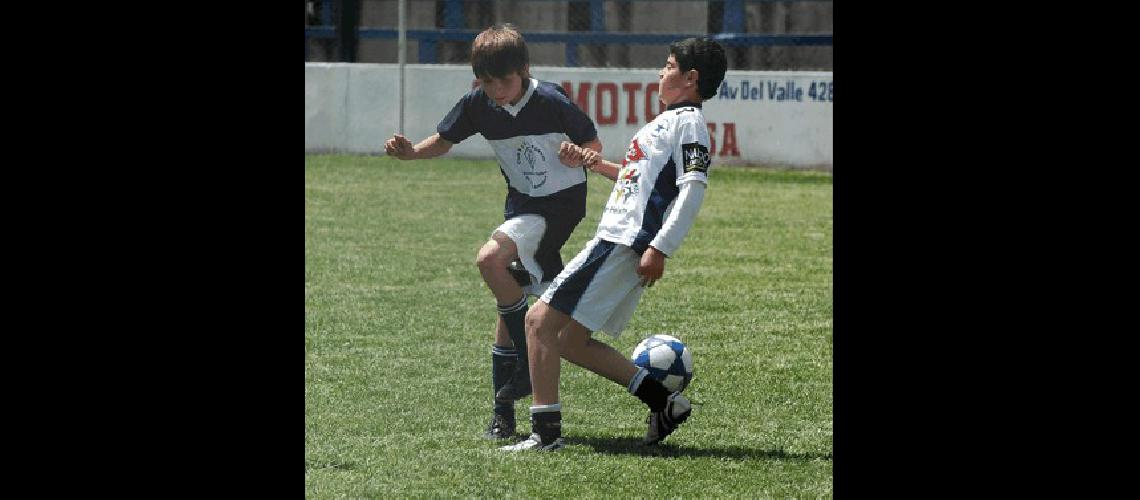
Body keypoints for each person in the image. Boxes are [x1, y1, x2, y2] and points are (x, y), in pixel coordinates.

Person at [501, 37, 727, 451]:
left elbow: (692, 187)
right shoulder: (668, 121)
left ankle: (545, 435)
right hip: (620, 240)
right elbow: (640, 179)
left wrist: (661, 247)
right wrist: (593, 163)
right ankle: (663, 403)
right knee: (569, 340)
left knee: (538, 323)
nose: (661, 72)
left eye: (669, 64)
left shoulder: (688, 122)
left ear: (691, 78)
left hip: (623, 242)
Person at [384, 24, 602, 440]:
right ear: (476, 80)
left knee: (490, 259)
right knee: (510, 293)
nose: (497, 90)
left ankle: (523, 362)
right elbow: (444, 140)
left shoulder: (551, 100)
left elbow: (592, 143)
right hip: (522, 205)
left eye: (504, 80)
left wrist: (581, 156)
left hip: (560, 206)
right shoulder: (478, 104)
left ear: (523, 70)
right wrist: (412, 153)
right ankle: (504, 414)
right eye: (487, 82)